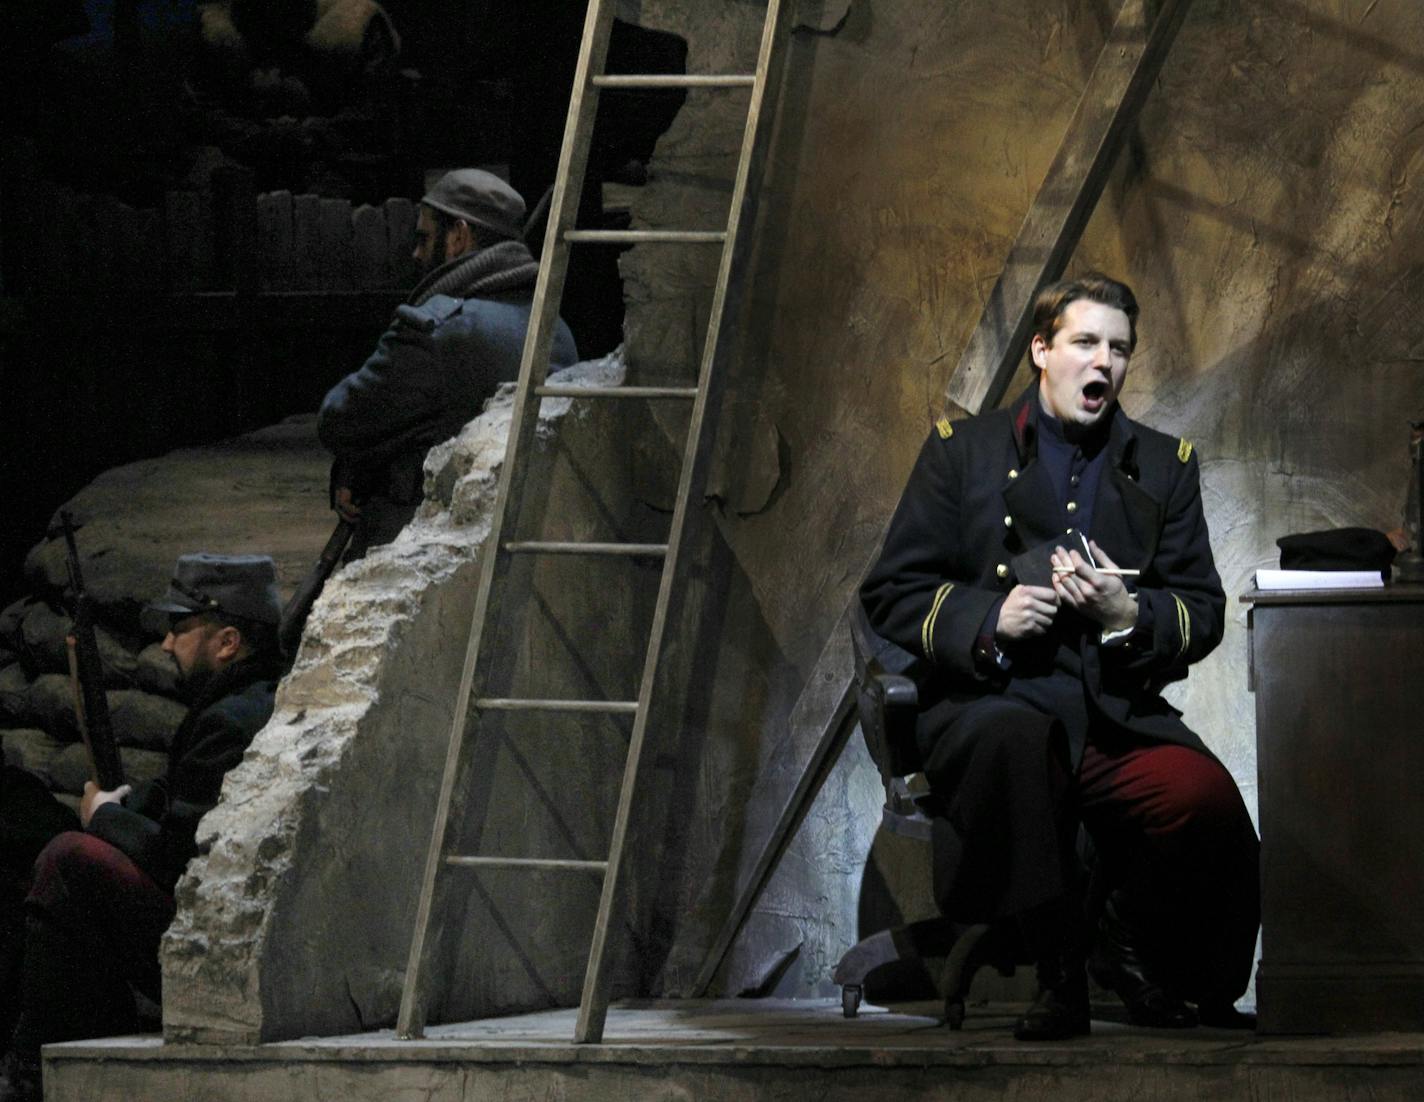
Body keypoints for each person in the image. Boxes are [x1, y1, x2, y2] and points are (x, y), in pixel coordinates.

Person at [861, 273, 1260, 1040]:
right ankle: (1060, 972)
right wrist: (990, 618)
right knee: (1019, 745)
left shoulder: (1163, 463)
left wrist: (1127, 615)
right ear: (1042, 349)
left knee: (1200, 798)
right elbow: (893, 593)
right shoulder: (960, 454)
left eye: (1118, 349)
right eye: (1085, 343)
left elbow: (1201, 611)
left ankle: (1169, 967)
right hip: (990, 705)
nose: (1103, 363)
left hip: (1110, 714)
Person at [0, 554, 283, 1101]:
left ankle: (31, 1066)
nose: (168, 645)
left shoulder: (230, 720)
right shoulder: (240, 703)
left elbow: (179, 858)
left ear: (227, 642)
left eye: (181, 628)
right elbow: (176, 804)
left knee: (69, 858)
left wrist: (104, 817)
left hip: (221, 946)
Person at [317, 168, 580, 558]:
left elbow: (342, 419)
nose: (417, 254)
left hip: (430, 545)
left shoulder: (438, 330)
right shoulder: (555, 328)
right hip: (528, 534)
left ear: (458, 236)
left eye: (424, 238)